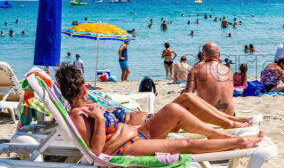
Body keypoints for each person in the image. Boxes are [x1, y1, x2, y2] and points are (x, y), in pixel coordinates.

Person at [55, 64, 262, 157]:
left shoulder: (86, 110)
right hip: (127, 144)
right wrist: (101, 119)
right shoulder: (77, 115)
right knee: (184, 143)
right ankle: (238, 140)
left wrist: (109, 120)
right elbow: (98, 152)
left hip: (135, 134)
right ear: (83, 88)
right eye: (87, 86)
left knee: (174, 107)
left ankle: (221, 133)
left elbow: (104, 137)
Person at [185, 43, 236, 115]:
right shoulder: (228, 70)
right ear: (219, 55)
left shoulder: (196, 69)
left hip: (209, 117)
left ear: (202, 55)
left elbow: (187, 96)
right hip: (230, 115)